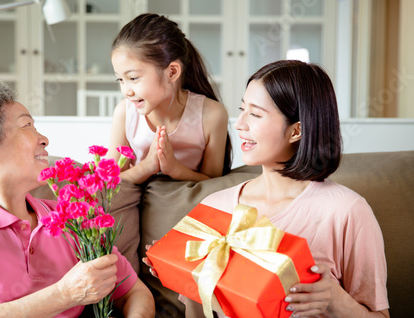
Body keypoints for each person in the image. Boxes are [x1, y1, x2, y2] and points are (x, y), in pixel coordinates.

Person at [145, 60, 389, 318]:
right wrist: (182, 273)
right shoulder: (216, 207)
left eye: (256, 114)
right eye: (242, 109)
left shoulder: (346, 211)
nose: (239, 124)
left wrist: (334, 298)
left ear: (296, 131)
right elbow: (198, 311)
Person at [0, 82, 155, 318]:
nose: (44, 139)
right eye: (27, 125)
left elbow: (133, 291)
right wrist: (65, 294)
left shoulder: (68, 219)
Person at [108, 13, 232, 184]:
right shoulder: (124, 112)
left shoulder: (212, 114)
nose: (126, 91)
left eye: (133, 78)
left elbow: (213, 181)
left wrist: (175, 169)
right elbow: (108, 181)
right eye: (120, 79)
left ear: (172, 72)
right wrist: (147, 167)